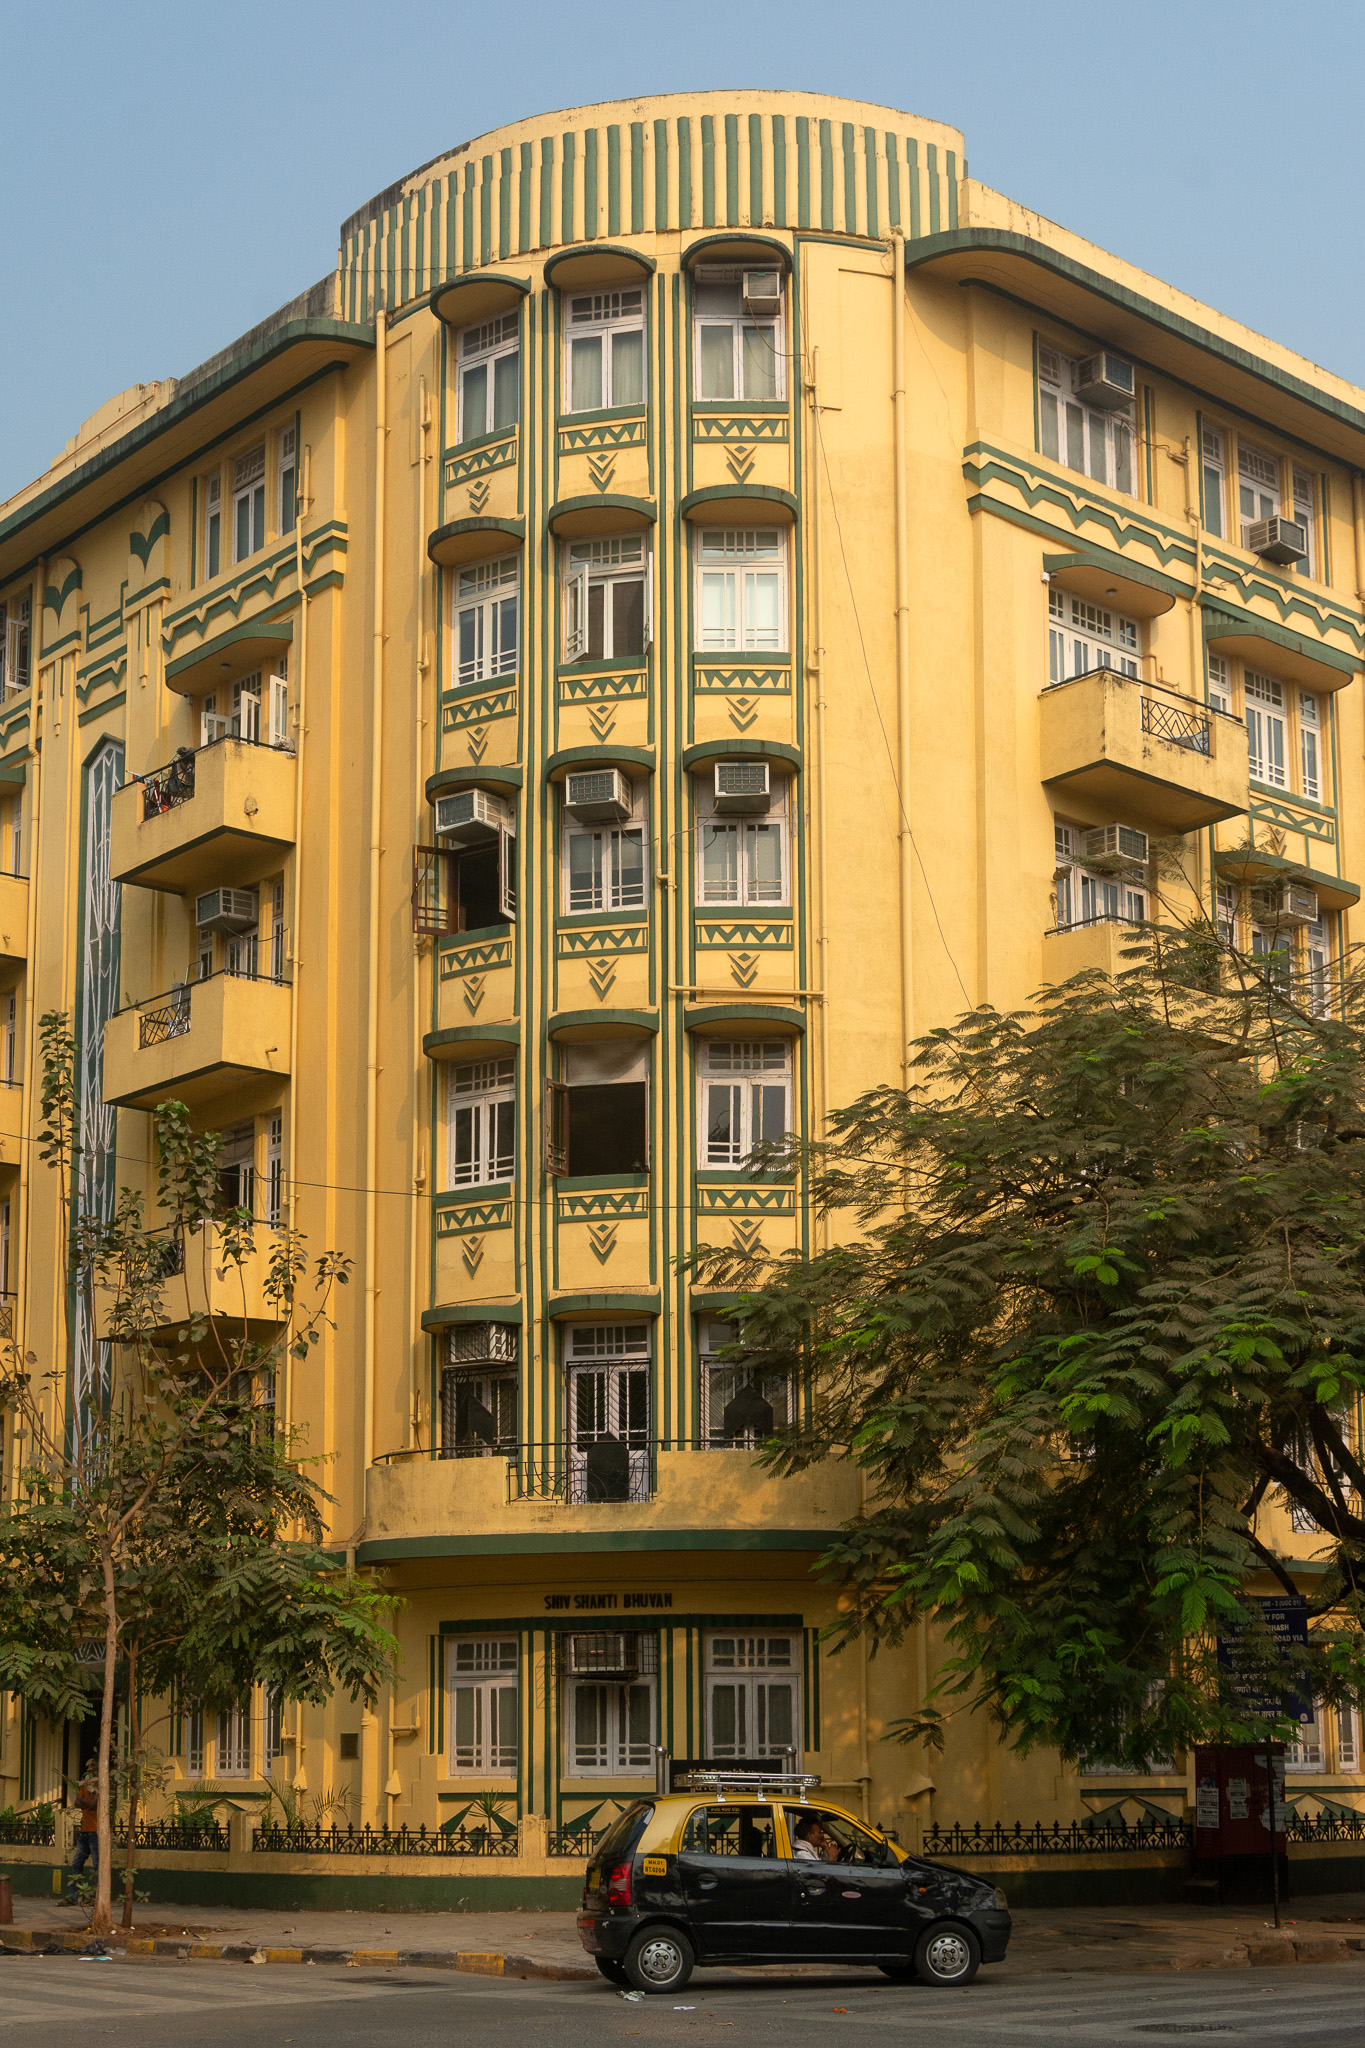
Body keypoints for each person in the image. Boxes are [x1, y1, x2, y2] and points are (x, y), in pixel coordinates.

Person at [64, 1773, 99, 1903]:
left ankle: (97, 1897)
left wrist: (85, 1802)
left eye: (93, 1765)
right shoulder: (85, 1786)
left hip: (96, 1831)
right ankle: (73, 1896)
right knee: (77, 1863)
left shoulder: (101, 1786)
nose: (89, 1768)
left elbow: (94, 1804)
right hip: (85, 1831)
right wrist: (88, 1803)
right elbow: (76, 1803)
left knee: (97, 1865)